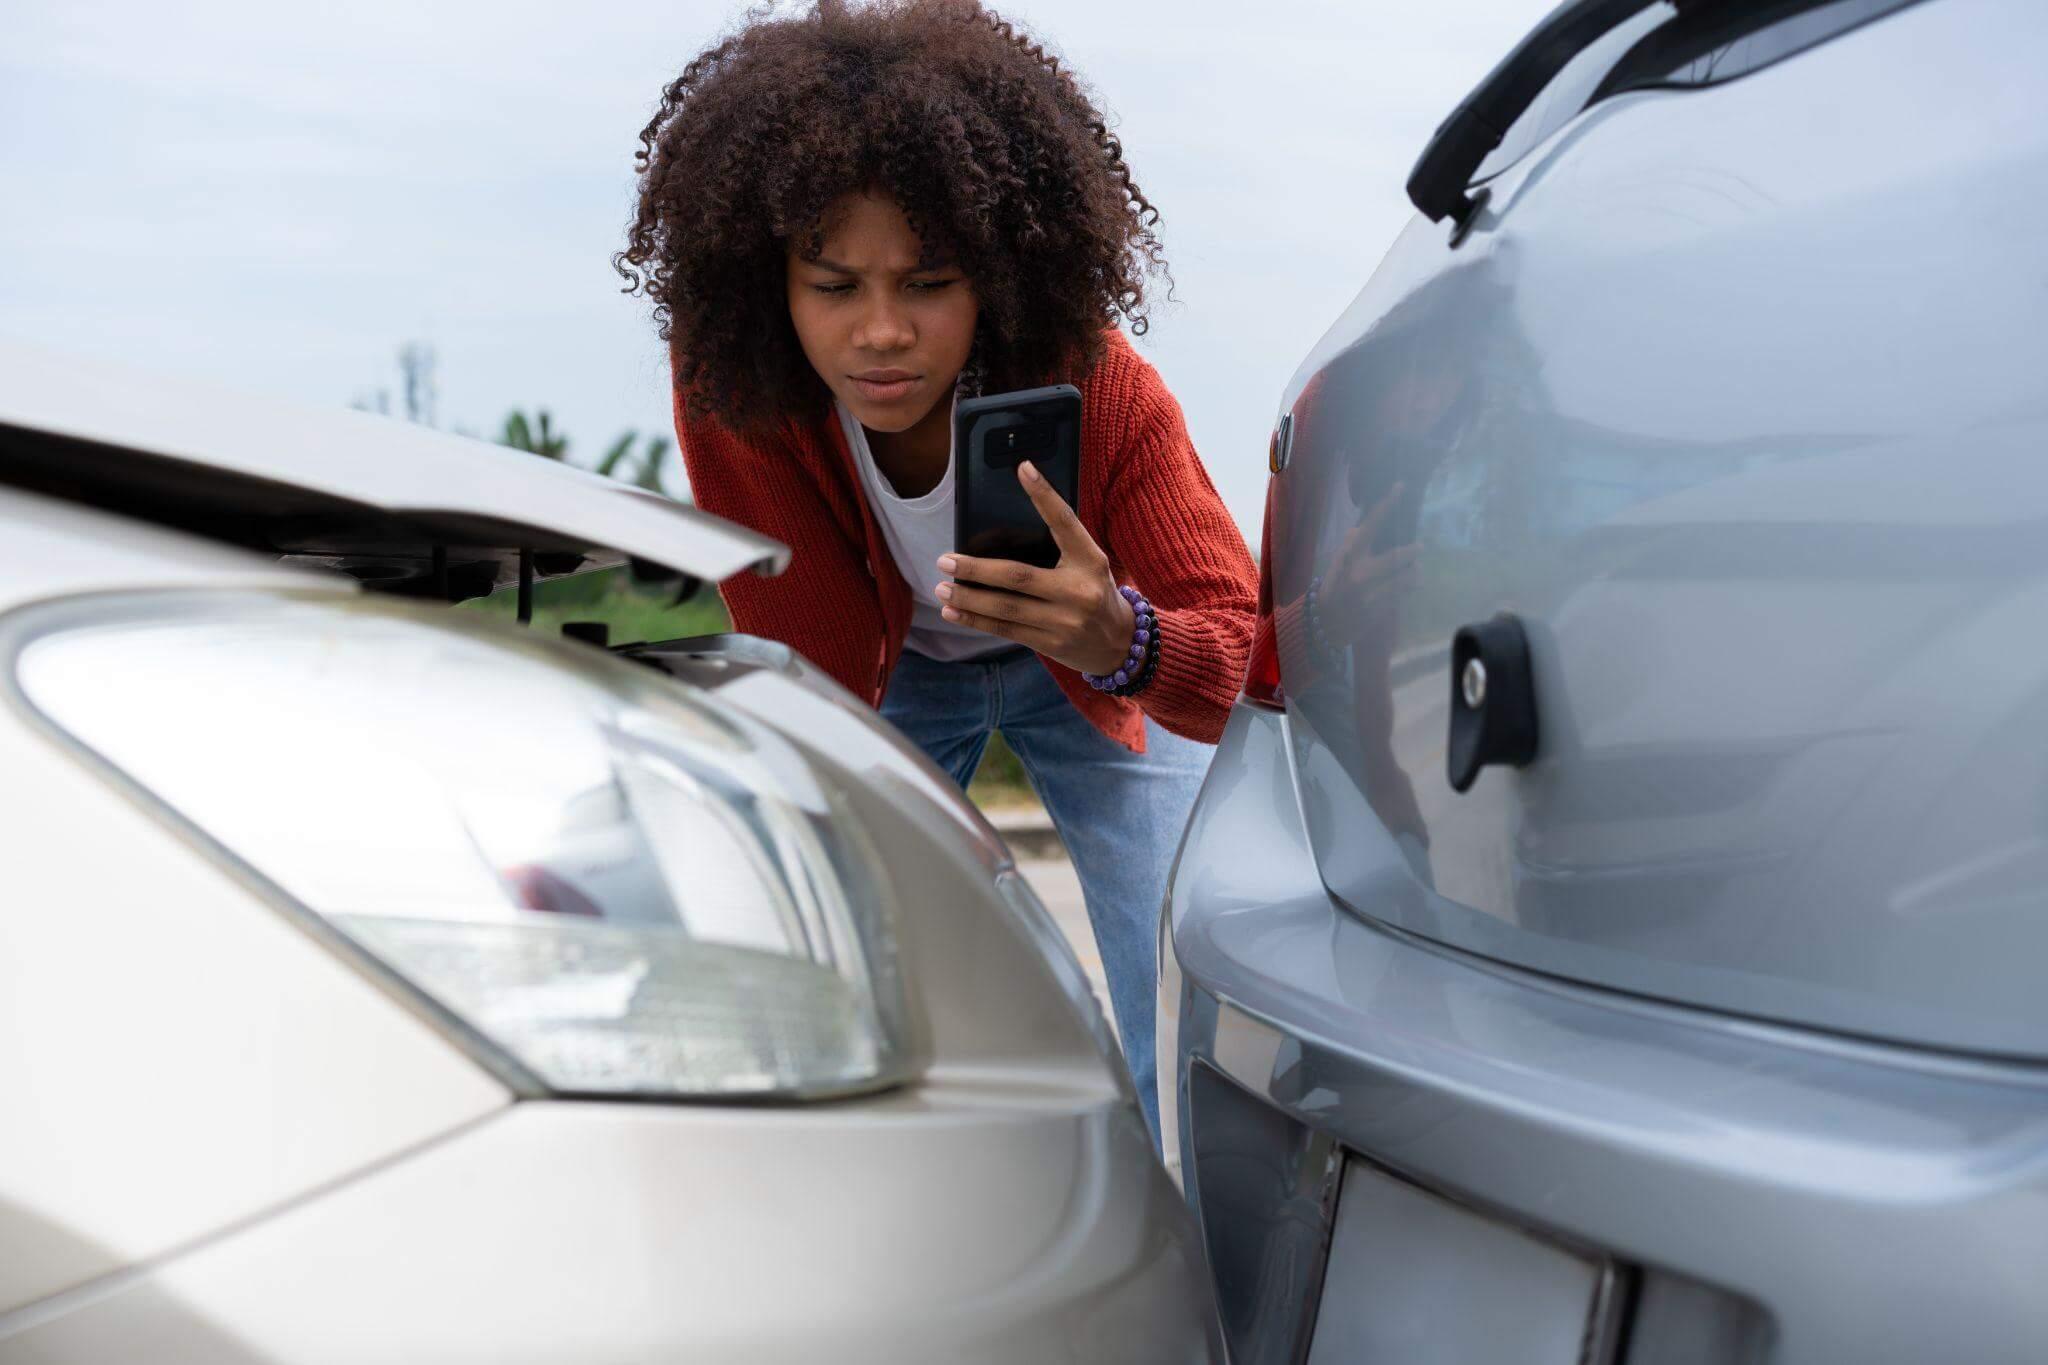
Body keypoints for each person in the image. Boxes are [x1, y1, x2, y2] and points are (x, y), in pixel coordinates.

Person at [615, 0, 1257, 1139]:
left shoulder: (1105, 390)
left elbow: (1235, 657)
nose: (880, 333)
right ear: (769, 287)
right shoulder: (738, 391)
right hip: (897, 667)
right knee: (816, 947)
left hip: (1101, 668)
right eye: (833, 285)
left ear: (1002, 277)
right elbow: (802, 666)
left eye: (925, 283)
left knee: (1180, 980)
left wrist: (1122, 639)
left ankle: (1199, 1282)